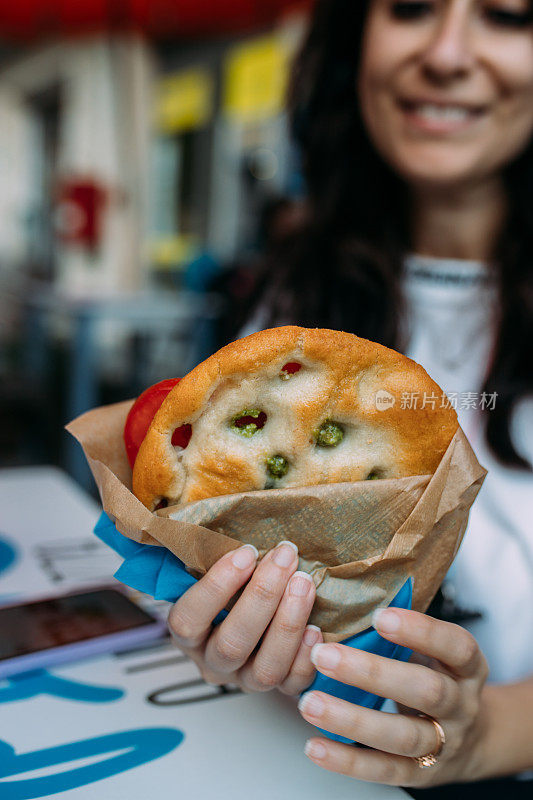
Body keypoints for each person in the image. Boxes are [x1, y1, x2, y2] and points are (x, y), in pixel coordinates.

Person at [167, 1, 533, 794]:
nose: (445, 53)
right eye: (409, 8)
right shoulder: (284, 303)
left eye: (508, 16)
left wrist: (492, 731)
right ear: (354, 41)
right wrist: (232, 625)